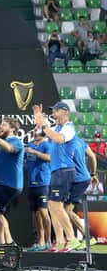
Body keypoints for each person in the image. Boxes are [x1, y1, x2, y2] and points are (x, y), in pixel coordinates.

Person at [33, 102, 81, 252]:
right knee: (52, 206)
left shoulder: (69, 128)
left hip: (64, 171)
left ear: (65, 112)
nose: (53, 114)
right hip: (57, 172)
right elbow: (41, 133)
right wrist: (38, 117)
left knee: (55, 206)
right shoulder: (57, 127)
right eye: (52, 111)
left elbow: (59, 139)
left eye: (55, 111)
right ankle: (60, 242)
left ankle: (72, 239)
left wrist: (44, 125)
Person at [0, 118, 24, 244]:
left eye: (4, 124)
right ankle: (8, 242)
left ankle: (2, 243)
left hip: (9, 184)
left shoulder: (16, 141)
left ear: (12, 129)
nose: (0, 127)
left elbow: (9, 149)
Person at [65, 136, 98, 246]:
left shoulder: (65, 144)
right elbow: (92, 156)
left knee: (67, 211)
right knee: (65, 210)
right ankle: (76, 238)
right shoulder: (80, 141)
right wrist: (93, 174)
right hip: (84, 178)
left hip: (77, 180)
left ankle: (88, 237)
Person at [24, 130, 53, 251]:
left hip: (43, 183)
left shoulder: (47, 145)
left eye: (38, 131)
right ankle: (40, 241)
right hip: (31, 184)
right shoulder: (29, 145)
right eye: (34, 131)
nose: (35, 133)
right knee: (35, 214)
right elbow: (23, 158)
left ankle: (48, 241)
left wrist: (34, 152)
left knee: (44, 212)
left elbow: (49, 158)